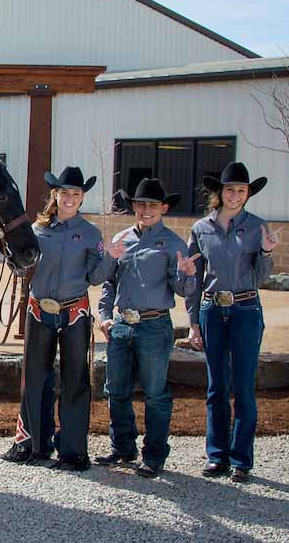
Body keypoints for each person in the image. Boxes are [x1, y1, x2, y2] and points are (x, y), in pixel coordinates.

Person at [2, 167, 124, 471]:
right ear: (55, 195)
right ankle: (30, 444)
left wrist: (109, 257)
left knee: (75, 380)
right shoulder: (37, 229)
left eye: (75, 194)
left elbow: (95, 277)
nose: (69, 198)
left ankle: (72, 451)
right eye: (64, 193)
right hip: (39, 309)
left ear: (82, 198)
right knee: (34, 377)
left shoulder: (91, 234)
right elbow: (23, 263)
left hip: (74, 312)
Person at [95, 178, 199, 478]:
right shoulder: (121, 239)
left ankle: (154, 455)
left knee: (155, 393)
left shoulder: (174, 244)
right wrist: (104, 315)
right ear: (134, 207)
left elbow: (182, 290)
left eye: (153, 205)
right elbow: (110, 283)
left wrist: (188, 276)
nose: (146, 210)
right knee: (116, 389)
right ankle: (122, 447)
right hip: (121, 326)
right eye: (141, 204)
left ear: (164, 208)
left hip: (154, 325)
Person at [186, 162, 277, 483]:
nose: (235, 195)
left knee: (243, 388)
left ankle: (241, 460)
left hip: (245, 310)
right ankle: (217, 456)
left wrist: (266, 253)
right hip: (211, 310)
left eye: (241, 190)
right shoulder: (200, 229)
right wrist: (193, 321)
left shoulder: (257, 227)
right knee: (216, 387)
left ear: (248, 193)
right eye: (230, 190)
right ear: (219, 193)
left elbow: (262, 277)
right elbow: (194, 279)